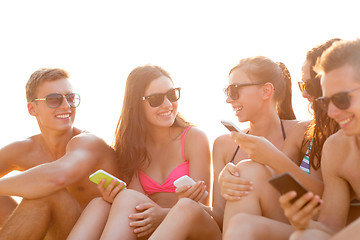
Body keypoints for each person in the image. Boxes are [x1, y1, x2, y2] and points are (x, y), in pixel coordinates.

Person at [144, 56, 298, 240]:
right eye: (227, 90)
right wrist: (189, 202)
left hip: (282, 229)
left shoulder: (299, 132)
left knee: (248, 170)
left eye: (234, 90)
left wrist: (269, 157)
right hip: (235, 232)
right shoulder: (225, 144)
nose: (227, 99)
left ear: (266, 91)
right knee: (187, 206)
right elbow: (219, 216)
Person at [67, 64, 218, 240]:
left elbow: (199, 205)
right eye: (156, 99)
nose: (168, 104)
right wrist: (113, 198)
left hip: (195, 224)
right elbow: (134, 203)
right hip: (156, 226)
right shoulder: (133, 147)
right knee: (99, 204)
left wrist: (162, 214)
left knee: (130, 198)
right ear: (137, 104)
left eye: (172, 94)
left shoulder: (194, 138)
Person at [219, 39, 341, 240]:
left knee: (245, 223)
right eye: (302, 85)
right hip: (303, 223)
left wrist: (273, 157)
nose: (303, 93)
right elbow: (274, 182)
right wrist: (228, 176)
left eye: (309, 85)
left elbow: (327, 204)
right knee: (247, 170)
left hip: (327, 229)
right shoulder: (307, 131)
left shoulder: (343, 139)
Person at [0, 68, 120, 239]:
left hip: (94, 234)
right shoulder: (23, 150)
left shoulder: (89, 143)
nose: (66, 105)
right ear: (32, 108)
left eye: (70, 98)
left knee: (49, 191)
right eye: (54, 99)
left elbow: (57, 178)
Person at [280, 39, 360, 240]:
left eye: (341, 99)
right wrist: (303, 223)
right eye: (325, 102)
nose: (332, 112)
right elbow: (330, 227)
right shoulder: (336, 148)